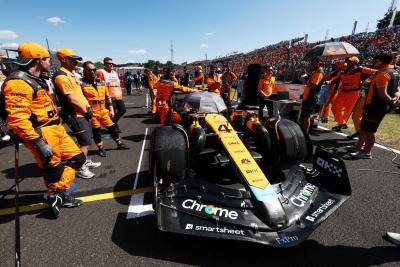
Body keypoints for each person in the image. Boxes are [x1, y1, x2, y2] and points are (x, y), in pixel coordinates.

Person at [2, 42, 85, 218]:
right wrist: (37, 142)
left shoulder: (35, 79)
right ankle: (57, 195)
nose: (50, 62)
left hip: (56, 128)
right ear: (38, 60)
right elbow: (17, 118)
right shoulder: (18, 82)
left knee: (78, 158)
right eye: (48, 59)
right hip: (43, 133)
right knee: (52, 170)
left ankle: (58, 194)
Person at [53, 47, 100, 179]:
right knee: (84, 142)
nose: (75, 62)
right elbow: (71, 99)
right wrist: (86, 111)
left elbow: (79, 94)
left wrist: (87, 108)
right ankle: (80, 168)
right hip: (74, 113)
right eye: (72, 59)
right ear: (63, 59)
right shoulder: (61, 76)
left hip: (81, 112)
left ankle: (84, 161)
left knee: (85, 140)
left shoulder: (71, 74)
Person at [350, 52, 399, 159]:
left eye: (376, 60)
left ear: (380, 61)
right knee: (363, 126)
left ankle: (366, 152)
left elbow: (382, 93)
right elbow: (397, 89)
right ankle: (359, 146)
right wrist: (395, 97)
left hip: (376, 106)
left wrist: (392, 100)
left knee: (369, 130)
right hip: (374, 105)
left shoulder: (383, 74)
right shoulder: (393, 72)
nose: (373, 62)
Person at [81, 61, 128, 157]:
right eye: (89, 70)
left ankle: (119, 143)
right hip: (92, 113)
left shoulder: (101, 82)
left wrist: (111, 109)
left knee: (112, 128)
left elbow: (107, 97)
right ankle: (100, 148)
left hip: (104, 111)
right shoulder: (81, 84)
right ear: (84, 71)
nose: (92, 72)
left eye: (94, 70)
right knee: (96, 132)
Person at [331, 56, 376, 131]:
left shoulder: (361, 69)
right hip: (343, 92)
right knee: (334, 108)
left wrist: (367, 81)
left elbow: (375, 72)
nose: (347, 63)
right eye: (347, 61)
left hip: (354, 92)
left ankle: (341, 125)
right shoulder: (343, 72)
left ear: (355, 62)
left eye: (349, 61)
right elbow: (334, 79)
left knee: (348, 111)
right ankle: (342, 123)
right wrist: (328, 81)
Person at [97, 57, 126, 132]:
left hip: (118, 96)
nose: (111, 65)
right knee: (112, 113)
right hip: (109, 97)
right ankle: (114, 127)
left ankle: (112, 124)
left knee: (122, 110)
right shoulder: (101, 72)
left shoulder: (115, 72)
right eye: (109, 63)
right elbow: (100, 85)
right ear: (104, 64)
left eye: (112, 63)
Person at [300, 58, 324, 133]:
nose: (311, 65)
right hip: (308, 96)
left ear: (318, 63)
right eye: (311, 63)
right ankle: (306, 131)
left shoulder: (318, 72)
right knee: (306, 115)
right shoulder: (314, 72)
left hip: (311, 97)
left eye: (313, 63)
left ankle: (305, 134)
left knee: (306, 116)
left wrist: (305, 80)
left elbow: (313, 86)